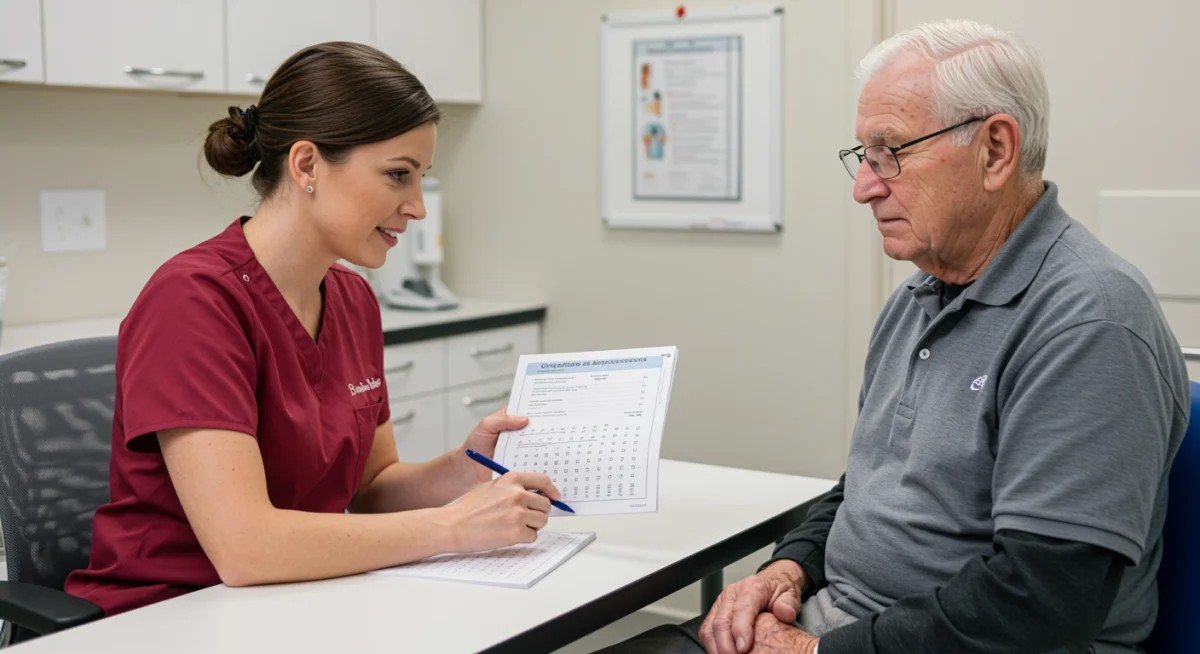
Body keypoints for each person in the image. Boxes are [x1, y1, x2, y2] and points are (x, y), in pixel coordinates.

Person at [599, 18, 1188, 654]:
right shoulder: (918, 295)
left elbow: (1039, 604)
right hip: (838, 625)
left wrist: (815, 651)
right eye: (864, 157)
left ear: (995, 150)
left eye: (891, 154)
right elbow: (866, 487)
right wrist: (786, 568)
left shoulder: (1090, 320)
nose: (864, 187)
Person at [63, 41, 563, 617]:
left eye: (422, 177)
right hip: (170, 614)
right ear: (306, 166)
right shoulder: (194, 301)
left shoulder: (352, 298)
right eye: (398, 175)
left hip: (300, 599)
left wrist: (465, 468)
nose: (418, 207)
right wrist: (452, 527)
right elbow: (246, 549)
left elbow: (371, 489)